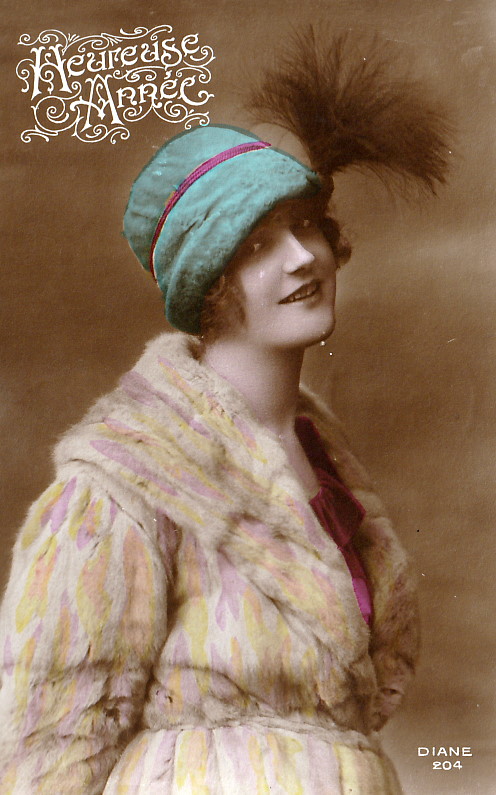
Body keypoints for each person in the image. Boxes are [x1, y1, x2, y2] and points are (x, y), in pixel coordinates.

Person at [0, 32, 450, 794]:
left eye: (305, 225)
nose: (301, 257)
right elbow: (47, 752)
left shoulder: (329, 468)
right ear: (208, 284)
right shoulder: (120, 485)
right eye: (257, 245)